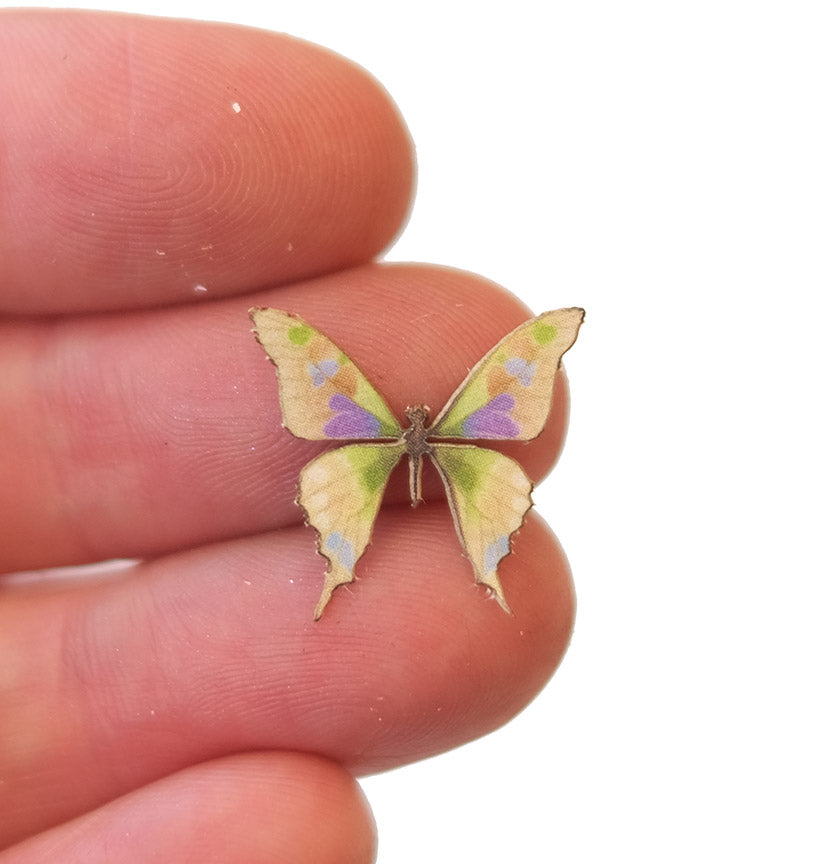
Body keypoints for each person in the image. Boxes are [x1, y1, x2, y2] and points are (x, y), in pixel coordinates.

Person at [0, 9, 574, 860]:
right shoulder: (429, 414)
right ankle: (380, 570)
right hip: (439, 455)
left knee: (448, 563)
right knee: (400, 553)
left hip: (386, 457)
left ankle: (449, 569)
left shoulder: (380, 413)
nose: (414, 429)